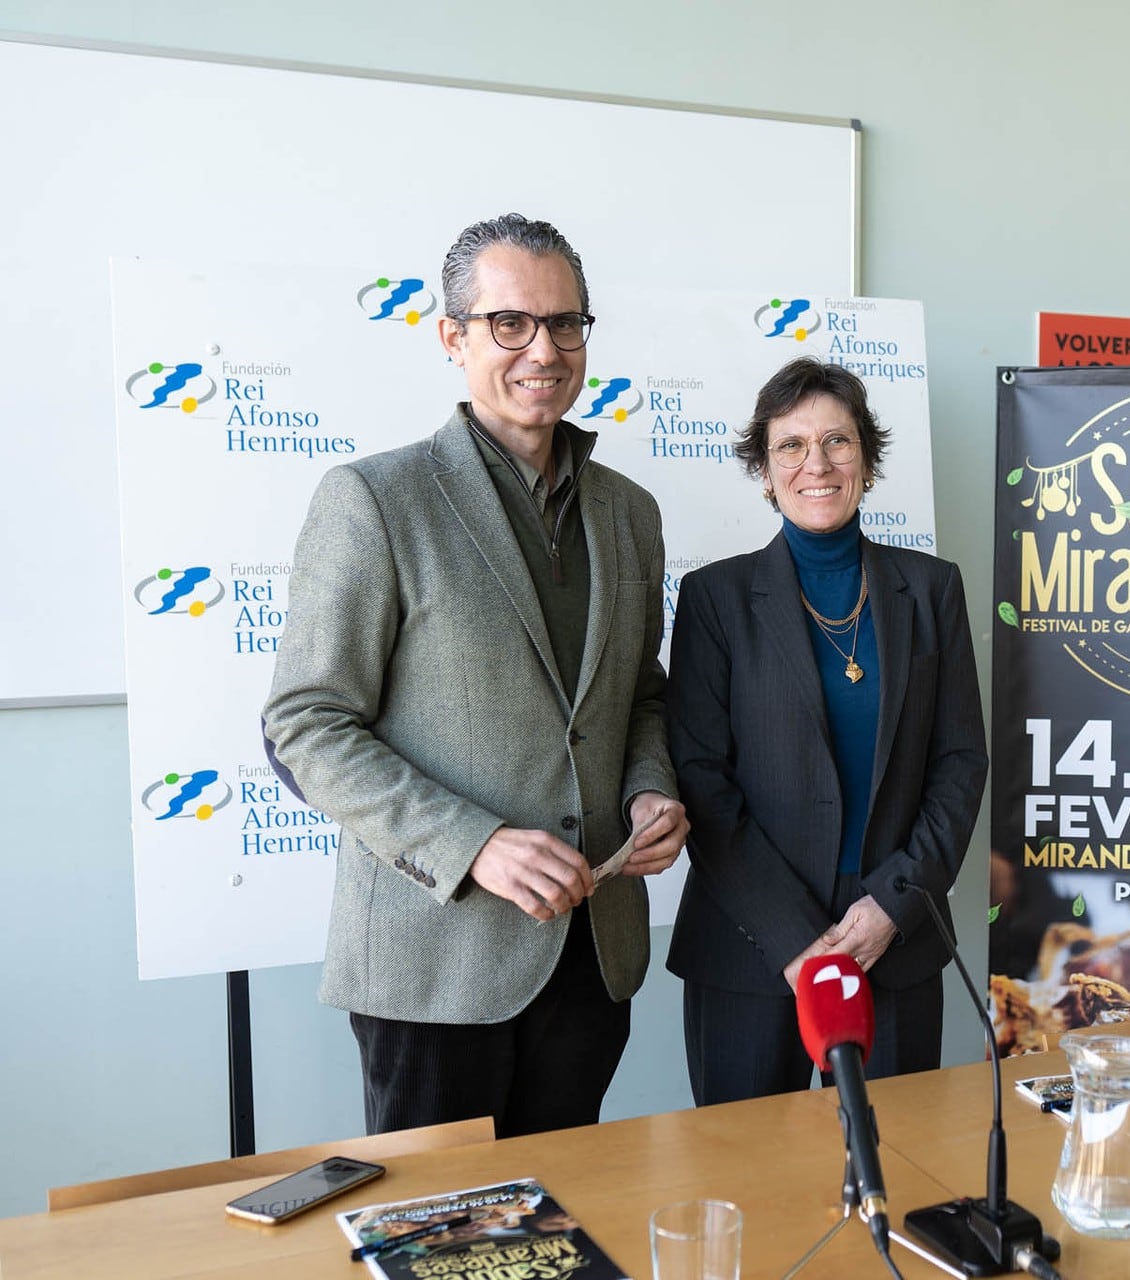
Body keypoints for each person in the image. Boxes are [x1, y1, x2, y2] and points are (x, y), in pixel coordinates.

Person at [262, 213, 688, 1137]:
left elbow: (639, 697)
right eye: (511, 324)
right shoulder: (374, 499)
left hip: (592, 956)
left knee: (564, 1240)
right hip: (434, 971)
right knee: (444, 1251)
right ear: (452, 337)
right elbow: (304, 724)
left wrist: (652, 790)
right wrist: (476, 844)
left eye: (566, 323)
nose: (544, 349)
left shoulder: (631, 514)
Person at [666, 356, 987, 1104]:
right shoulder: (714, 598)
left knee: (898, 1169)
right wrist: (796, 942)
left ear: (867, 461)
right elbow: (700, 779)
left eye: (838, 442)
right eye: (791, 445)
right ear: (764, 468)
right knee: (747, 1185)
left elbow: (960, 763)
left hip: (894, 941)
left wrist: (893, 908)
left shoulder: (932, 590)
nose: (817, 464)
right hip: (749, 943)